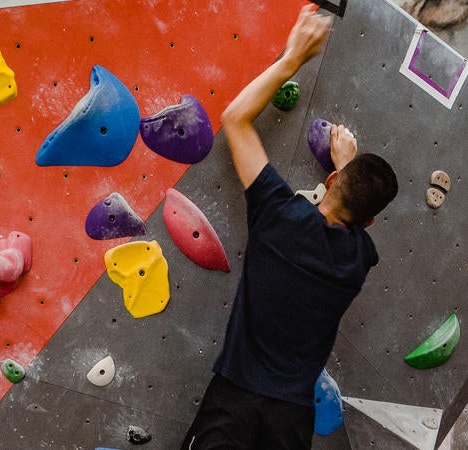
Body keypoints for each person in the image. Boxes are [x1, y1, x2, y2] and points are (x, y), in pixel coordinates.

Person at [182, 5, 401, 450]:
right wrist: (346, 170)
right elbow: (353, 220)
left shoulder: (279, 214)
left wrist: (293, 58)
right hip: (289, 421)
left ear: (333, 181)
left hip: (234, 401)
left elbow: (235, 119)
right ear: (371, 222)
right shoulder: (359, 259)